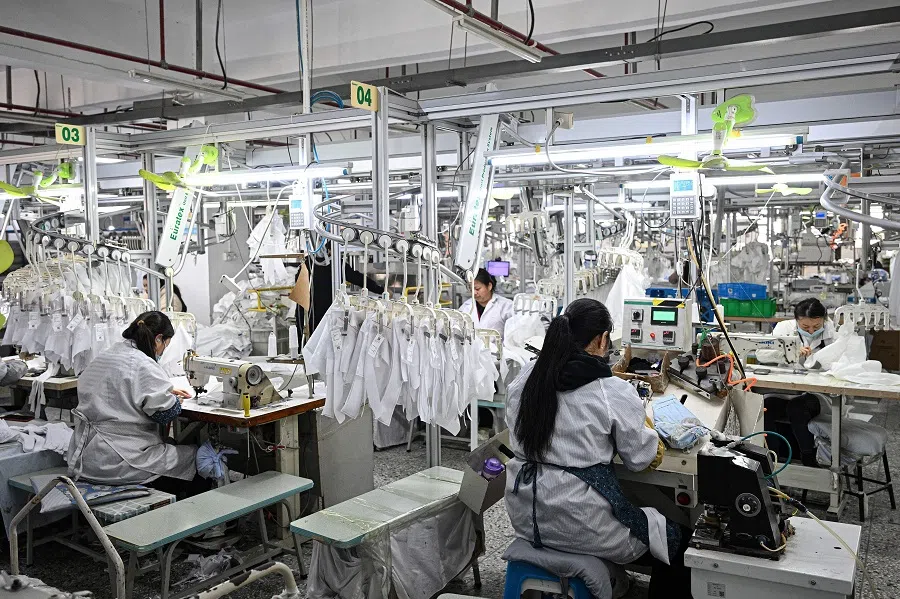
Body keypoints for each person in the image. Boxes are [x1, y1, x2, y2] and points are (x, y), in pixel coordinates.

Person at [505, 298, 691, 599]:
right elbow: (640, 458)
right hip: (580, 525)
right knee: (676, 541)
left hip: (526, 515)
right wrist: (645, 425)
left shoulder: (526, 378)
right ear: (603, 339)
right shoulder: (611, 391)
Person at [67, 311, 200, 493]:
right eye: (165, 346)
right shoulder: (143, 364)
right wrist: (174, 399)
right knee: (195, 457)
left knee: (171, 445)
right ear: (159, 339)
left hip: (86, 457)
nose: (162, 352)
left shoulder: (105, 356)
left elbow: (118, 391)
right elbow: (165, 413)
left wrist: (163, 391)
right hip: (119, 460)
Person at [758, 298, 835, 467]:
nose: (811, 331)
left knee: (798, 407)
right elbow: (761, 354)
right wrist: (788, 352)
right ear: (796, 321)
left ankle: (808, 460)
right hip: (785, 392)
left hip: (818, 394)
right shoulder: (784, 328)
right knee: (764, 407)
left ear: (825, 319)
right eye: (805, 327)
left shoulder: (833, 332)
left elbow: (841, 362)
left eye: (816, 327)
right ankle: (772, 460)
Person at [460, 268, 514, 338]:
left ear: (489, 286)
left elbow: (514, 333)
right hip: (473, 348)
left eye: (477, 289)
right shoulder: (466, 306)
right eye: (471, 289)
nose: (474, 293)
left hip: (497, 348)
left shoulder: (506, 306)